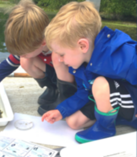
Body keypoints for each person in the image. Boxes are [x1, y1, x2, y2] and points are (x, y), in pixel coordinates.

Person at [42, 1, 137, 143]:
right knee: (73, 122)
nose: (60, 60)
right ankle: (115, 118)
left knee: (100, 84)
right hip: (119, 103)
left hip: (133, 102)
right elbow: (84, 92)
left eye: (62, 54)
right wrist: (61, 111)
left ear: (82, 45)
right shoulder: (80, 64)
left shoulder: (120, 54)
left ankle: (105, 129)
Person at [0, 0, 77, 115]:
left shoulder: (61, 48)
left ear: (43, 42)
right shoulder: (31, 46)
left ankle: (65, 97)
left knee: (57, 58)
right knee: (25, 61)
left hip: (72, 83)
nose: (20, 55)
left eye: (23, 52)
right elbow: (4, 68)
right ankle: (53, 90)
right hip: (54, 77)